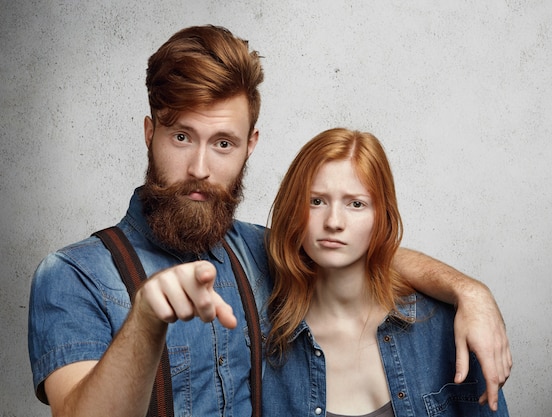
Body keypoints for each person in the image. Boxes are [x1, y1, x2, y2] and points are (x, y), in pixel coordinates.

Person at [28, 25, 510, 417]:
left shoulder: (261, 253)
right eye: (181, 136)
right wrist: (146, 320)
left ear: (249, 146)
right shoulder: (74, 276)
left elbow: (366, 257)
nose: (200, 167)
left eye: (223, 143)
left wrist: (470, 292)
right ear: (150, 133)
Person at [263, 128, 509, 416]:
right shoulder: (259, 333)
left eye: (356, 204)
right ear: (293, 208)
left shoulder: (443, 328)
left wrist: (473, 292)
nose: (333, 222)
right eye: (316, 201)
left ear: (382, 217)